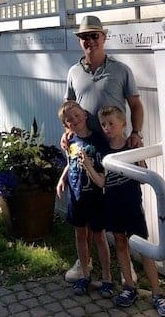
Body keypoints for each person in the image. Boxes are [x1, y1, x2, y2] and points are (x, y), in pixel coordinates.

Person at [63, 15, 145, 282]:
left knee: (119, 204)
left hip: (114, 148)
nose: (89, 41)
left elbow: (136, 105)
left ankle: (126, 267)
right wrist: (68, 133)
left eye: (94, 36)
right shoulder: (73, 72)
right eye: (84, 37)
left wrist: (136, 133)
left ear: (103, 37)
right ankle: (84, 261)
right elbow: (70, 108)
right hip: (86, 148)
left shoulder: (121, 70)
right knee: (87, 206)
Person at [98, 105, 165, 316]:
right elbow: (101, 179)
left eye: (111, 123)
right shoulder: (102, 151)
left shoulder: (132, 147)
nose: (107, 128)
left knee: (144, 248)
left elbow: (144, 174)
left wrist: (139, 153)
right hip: (112, 205)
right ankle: (129, 287)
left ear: (123, 124)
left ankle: (157, 293)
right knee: (121, 244)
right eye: (103, 124)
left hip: (132, 205)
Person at [56, 101, 114, 298]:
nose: (74, 120)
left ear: (85, 115)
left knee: (99, 236)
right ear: (66, 124)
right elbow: (71, 163)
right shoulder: (70, 141)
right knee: (80, 234)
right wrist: (62, 178)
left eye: (76, 115)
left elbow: (105, 169)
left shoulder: (99, 140)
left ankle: (107, 277)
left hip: (95, 197)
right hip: (76, 196)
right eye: (69, 119)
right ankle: (85, 274)